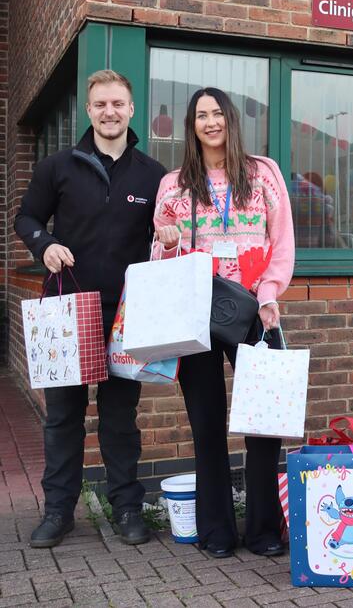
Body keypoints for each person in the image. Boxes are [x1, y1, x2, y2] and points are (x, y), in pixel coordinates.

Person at [15, 70, 166, 548]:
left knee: (121, 416)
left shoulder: (152, 174)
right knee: (64, 416)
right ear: (89, 110)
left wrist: (168, 239)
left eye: (118, 103)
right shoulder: (57, 166)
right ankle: (59, 511)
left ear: (132, 109)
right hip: (66, 310)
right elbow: (27, 217)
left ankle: (126, 508)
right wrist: (45, 245)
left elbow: (164, 235)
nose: (110, 112)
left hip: (126, 314)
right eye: (101, 104)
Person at [154, 87, 294, 558]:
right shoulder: (173, 183)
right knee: (207, 423)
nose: (210, 122)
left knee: (263, 422)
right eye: (200, 116)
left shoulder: (263, 173)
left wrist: (271, 293)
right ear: (192, 127)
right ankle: (216, 529)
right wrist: (168, 240)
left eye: (217, 113)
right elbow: (159, 255)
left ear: (230, 120)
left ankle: (262, 530)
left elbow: (281, 240)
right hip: (195, 311)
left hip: (252, 308)